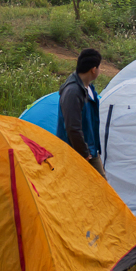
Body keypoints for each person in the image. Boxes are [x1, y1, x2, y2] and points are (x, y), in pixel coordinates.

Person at [56, 48, 105, 177]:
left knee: (100, 189)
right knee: (97, 189)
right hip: (79, 153)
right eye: (99, 67)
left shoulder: (88, 88)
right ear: (93, 69)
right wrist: (84, 153)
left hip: (91, 149)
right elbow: (72, 127)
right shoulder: (73, 91)